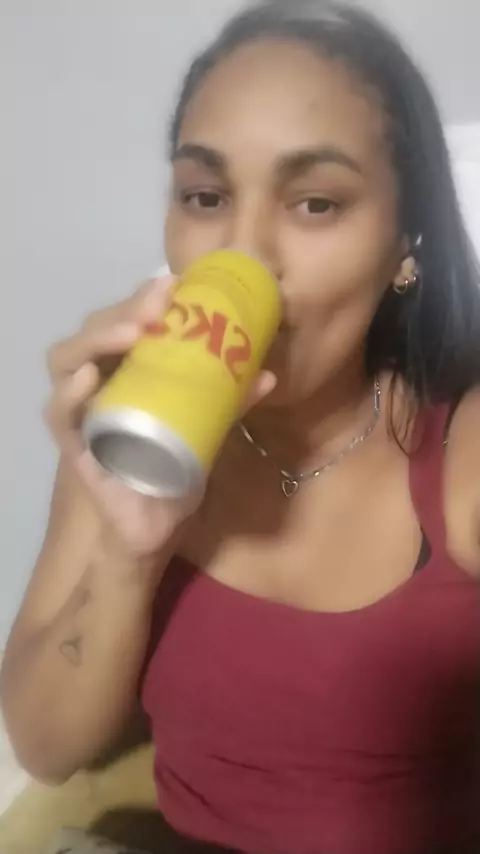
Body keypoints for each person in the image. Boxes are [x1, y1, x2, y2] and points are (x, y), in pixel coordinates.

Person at [2, 1, 480, 852]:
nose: (244, 253)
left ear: (405, 243)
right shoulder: (132, 429)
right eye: (206, 196)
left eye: (316, 203)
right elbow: (46, 748)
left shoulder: (460, 447)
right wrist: (129, 549)